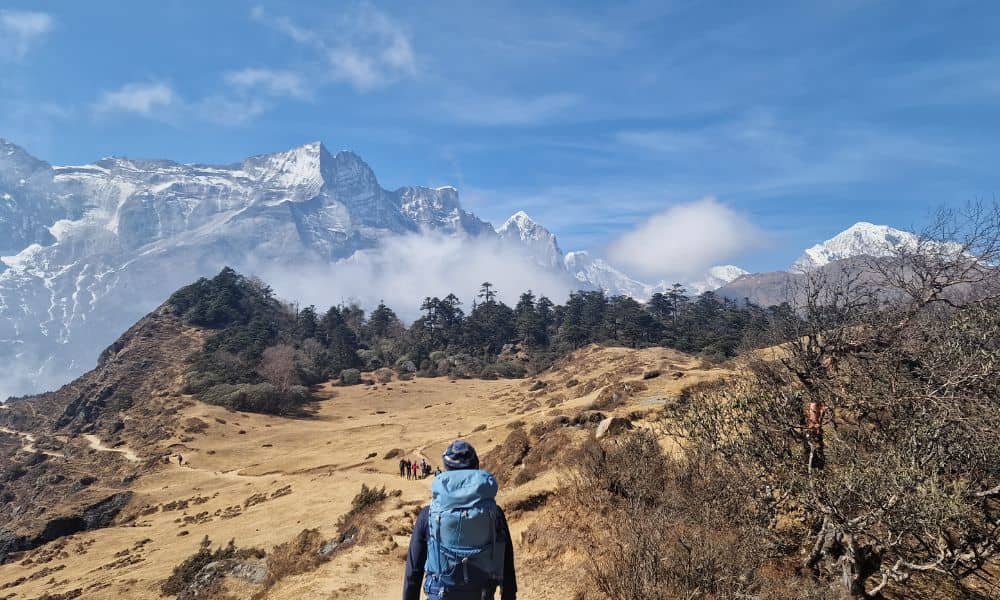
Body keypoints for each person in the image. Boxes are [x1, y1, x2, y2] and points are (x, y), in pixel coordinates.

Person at [403, 440, 516, 600]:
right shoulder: (495, 513)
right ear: (476, 467)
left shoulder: (428, 514)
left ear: (446, 470)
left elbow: (413, 573)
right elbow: (507, 568)